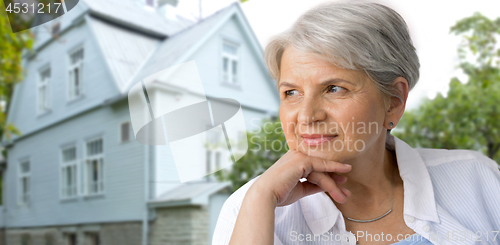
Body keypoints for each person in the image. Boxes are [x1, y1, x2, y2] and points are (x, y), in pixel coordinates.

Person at [212, 1, 500, 245]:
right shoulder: (251, 208)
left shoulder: (479, 179)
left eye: (334, 88)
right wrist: (261, 197)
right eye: (291, 93)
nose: (307, 116)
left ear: (394, 100)